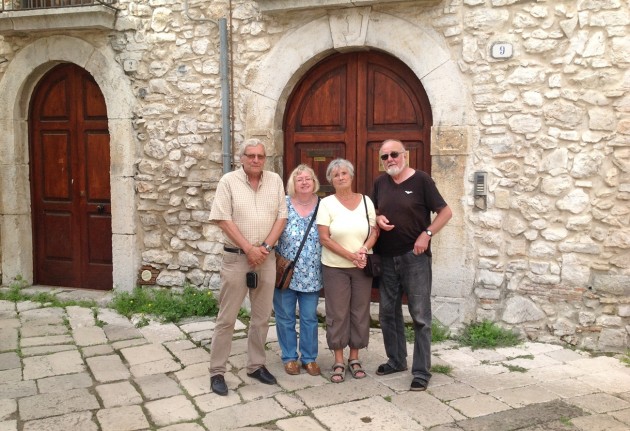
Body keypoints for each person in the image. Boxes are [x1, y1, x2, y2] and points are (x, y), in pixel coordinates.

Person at [208, 138, 287, 396]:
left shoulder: (274, 180)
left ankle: (256, 365)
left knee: (262, 317)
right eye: (250, 155)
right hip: (236, 258)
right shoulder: (228, 182)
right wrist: (249, 249)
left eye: (260, 156)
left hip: (266, 258)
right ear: (241, 158)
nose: (255, 160)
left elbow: (281, 217)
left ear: (265, 159)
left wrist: (263, 247)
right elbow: (223, 219)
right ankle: (217, 371)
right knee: (227, 318)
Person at [372, 139, 452, 392]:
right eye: (384, 157)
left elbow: (446, 212)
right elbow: (373, 210)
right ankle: (396, 360)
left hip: (414, 258)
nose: (390, 160)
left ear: (405, 155)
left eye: (394, 154)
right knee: (387, 313)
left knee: (420, 316)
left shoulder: (422, 181)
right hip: (385, 256)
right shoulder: (380, 183)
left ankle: (421, 371)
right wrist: (377, 217)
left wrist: (426, 235)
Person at [316, 158, 378, 383]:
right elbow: (324, 238)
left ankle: (355, 357)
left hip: (361, 265)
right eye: (336, 174)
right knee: (337, 312)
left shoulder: (366, 201)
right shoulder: (326, 204)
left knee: (360, 311)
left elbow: (374, 231)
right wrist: (350, 255)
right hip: (335, 267)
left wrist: (363, 249)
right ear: (331, 180)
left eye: (344, 173)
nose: (341, 177)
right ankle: (338, 359)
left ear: (351, 176)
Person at [273, 164, 323, 377]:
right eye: (299, 178)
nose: (304, 182)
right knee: (285, 317)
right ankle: (289, 357)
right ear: (293, 183)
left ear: (314, 182)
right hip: (286, 272)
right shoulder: (283, 204)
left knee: (309, 317)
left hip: (312, 274)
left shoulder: (324, 205)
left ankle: (309, 358)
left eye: (308, 178)